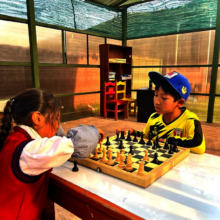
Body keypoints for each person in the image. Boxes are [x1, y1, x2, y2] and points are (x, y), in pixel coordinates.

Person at [0, 88, 105, 220]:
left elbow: (57, 139)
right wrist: (94, 132)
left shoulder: (15, 138)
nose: (57, 126)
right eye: (55, 119)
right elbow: (78, 143)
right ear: (37, 118)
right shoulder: (31, 150)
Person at [117, 71, 205, 154]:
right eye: (155, 95)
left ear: (180, 102)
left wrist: (166, 141)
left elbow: (199, 146)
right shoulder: (154, 117)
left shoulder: (189, 120)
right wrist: (132, 132)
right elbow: (146, 137)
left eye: (164, 98)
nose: (156, 101)